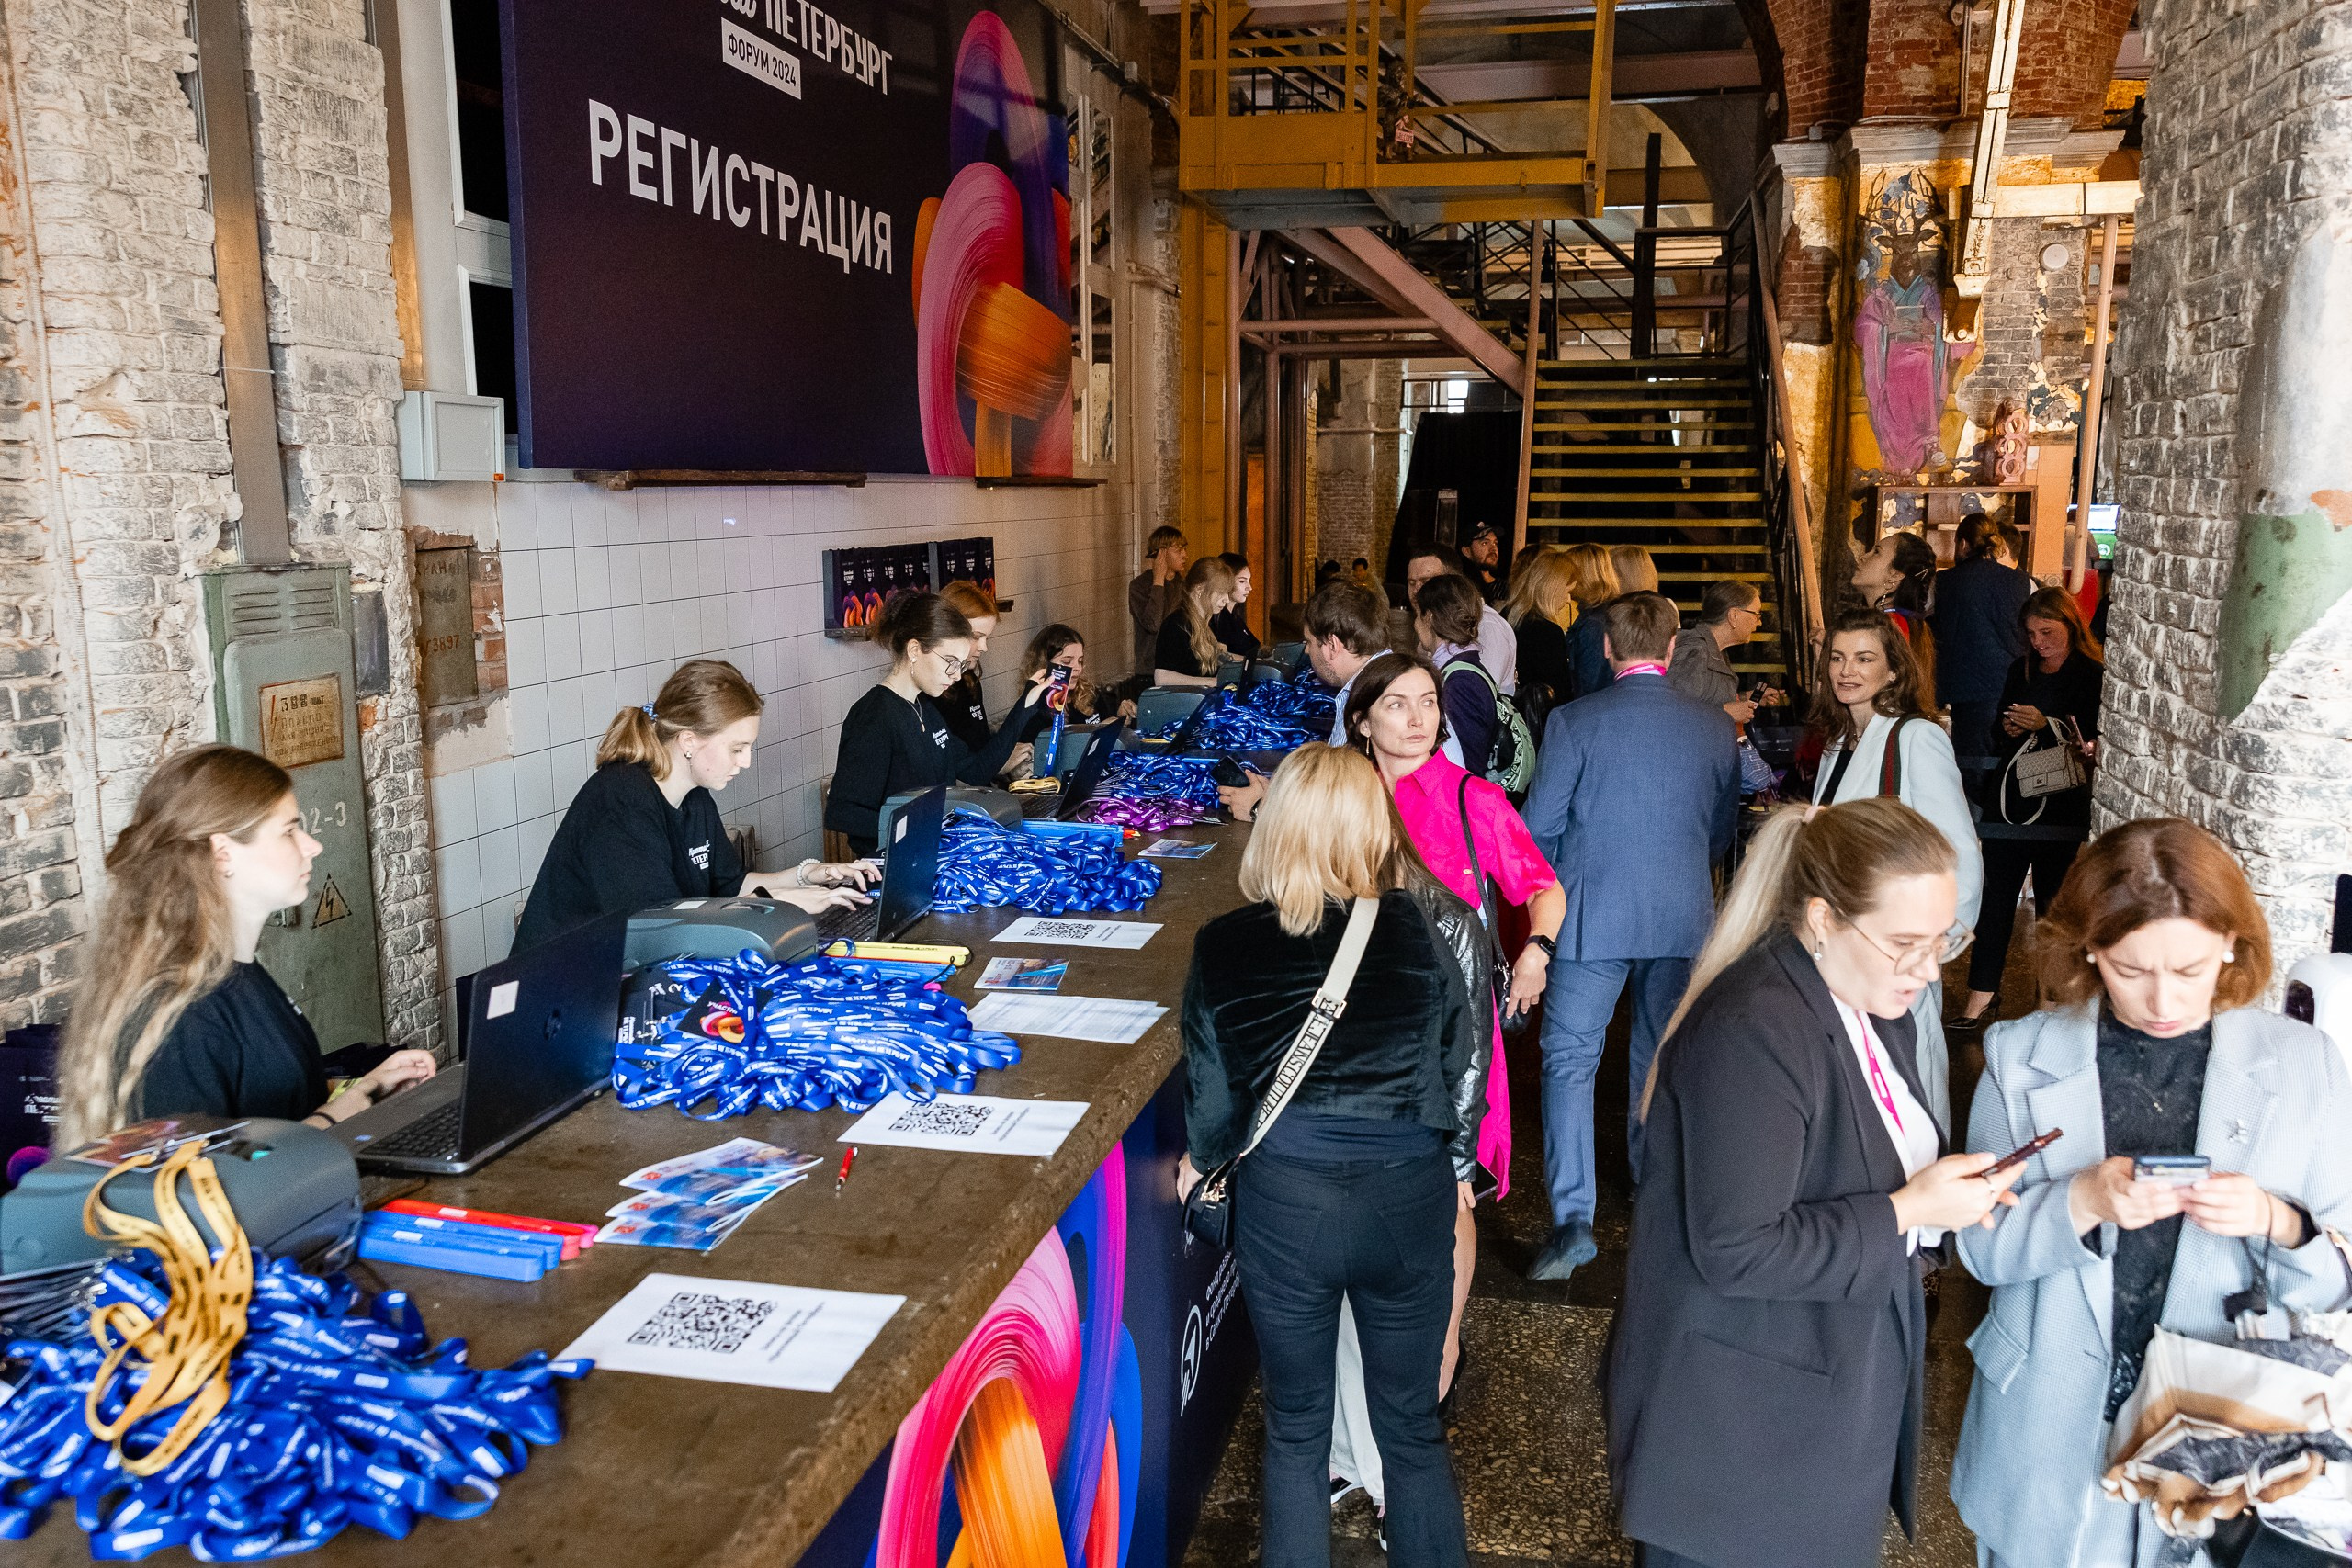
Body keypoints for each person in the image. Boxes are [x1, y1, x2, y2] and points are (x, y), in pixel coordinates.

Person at [1607, 798, 2022, 1568]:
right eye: (1905, 943)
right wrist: (1909, 1209)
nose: (1929, 970)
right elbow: (1737, 1246)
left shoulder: (1868, 997)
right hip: (1739, 1437)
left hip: (1809, 1407)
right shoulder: (1757, 1025)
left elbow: (1864, 1157)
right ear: (1824, 917)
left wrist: (1941, 1202)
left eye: (1943, 941)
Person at [1951, 818, 2352, 1568]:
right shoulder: (2019, 1055)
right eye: (2131, 969)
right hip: (2049, 1419)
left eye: (2190, 968)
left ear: (2232, 941)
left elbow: (2341, 1282)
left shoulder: (2306, 1065)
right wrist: (2077, 1201)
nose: (2163, 998)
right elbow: (1977, 1247)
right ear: (2090, 948)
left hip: (2225, 1435)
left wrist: (2275, 1220)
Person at [1178, 744, 1477, 1568]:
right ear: (1372, 826)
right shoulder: (1420, 929)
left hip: (1287, 1206)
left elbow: (1212, 1109)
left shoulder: (1223, 945)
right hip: (1406, 1195)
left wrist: (1206, 1164)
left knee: (1298, 1431)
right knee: (1410, 1428)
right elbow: (1455, 1062)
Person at [1345, 651, 1566, 1404]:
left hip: (1454, 1032)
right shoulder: (1340, 797)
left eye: (1428, 703)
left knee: (1452, 1190)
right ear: (1361, 719)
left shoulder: (1472, 799)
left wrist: (1534, 955)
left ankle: (1438, 1357)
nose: (1418, 719)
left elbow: (1544, 888)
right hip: (1353, 1029)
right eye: (1398, 704)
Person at [54, 745, 440, 1144]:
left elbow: (267, 1103)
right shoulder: (179, 1016)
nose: (312, 846)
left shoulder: (236, 972)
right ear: (223, 855)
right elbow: (200, 1184)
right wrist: (331, 1119)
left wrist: (365, 1088)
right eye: (289, 831)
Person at [1520, 592, 1739, 1281]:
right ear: (1672, 649)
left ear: (1609, 648)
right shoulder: (1711, 727)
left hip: (1589, 914)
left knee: (1569, 1062)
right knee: (1658, 1056)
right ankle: (1650, 1186)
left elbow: (1538, 828)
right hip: (1682, 915)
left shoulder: (1573, 721)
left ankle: (1574, 1217)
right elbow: (1721, 830)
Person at [520, 660, 872, 950]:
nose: (745, 762)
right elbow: (660, 927)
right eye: (736, 749)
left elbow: (730, 886)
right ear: (689, 741)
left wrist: (808, 876)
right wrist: (776, 903)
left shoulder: (695, 796)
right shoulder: (621, 800)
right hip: (563, 994)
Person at [1810, 609, 1982, 1132]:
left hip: (1894, 955)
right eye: (1838, 658)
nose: (1847, 670)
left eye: (1865, 659)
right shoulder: (1840, 744)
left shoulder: (1913, 738)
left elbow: (1959, 853)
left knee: (1901, 1089)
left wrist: (1932, 946)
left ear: (1893, 671)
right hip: (1840, 951)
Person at [1957, 587, 2104, 1029]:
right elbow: (1998, 731)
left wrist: (2048, 724)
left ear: (2070, 626)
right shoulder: (2019, 670)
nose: (2039, 641)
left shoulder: (2092, 673)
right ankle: (1980, 994)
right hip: (2014, 798)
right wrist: (2010, 725)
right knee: (1996, 897)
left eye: (2047, 631)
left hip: (2061, 802)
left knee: (2054, 906)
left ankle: (2051, 1003)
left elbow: (2094, 736)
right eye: (2031, 633)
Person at [1217, 579, 1467, 822]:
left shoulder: (1368, 696)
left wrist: (1262, 810)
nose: (1307, 651)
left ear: (1332, 645)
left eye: (1311, 642)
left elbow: (1347, 815)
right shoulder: (1388, 677)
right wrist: (1279, 792)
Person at [824, 594, 1053, 855]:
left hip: (934, 855)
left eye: (961, 664)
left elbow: (976, 770)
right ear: (914, 650)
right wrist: (923, 826)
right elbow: (843, 814)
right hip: (892, 867)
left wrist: (1024, 707)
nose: (957, 675)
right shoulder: (874, 715)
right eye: (950, 662)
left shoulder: (926, 709)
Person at [1932, 514, 2034, 761]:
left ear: (1963, 544)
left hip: (1966, 689)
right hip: (2013, 686)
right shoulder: (2022, 581)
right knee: (2008, 762)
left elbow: (1940, 634)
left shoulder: (1946, 581)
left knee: (1971, 765)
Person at [1413, 574, 1500, 775]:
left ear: (1429, 618)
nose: (1415, 624)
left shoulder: (1460, 682)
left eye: (1417, 615)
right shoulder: (1464, 666)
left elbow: (1467, 765)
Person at [1668, 579, 1782, 727]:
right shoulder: (1695, 653)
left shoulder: (1715, 648)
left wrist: (1744, 698)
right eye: (1756, 614)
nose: (1759, 622)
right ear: (1733, 615)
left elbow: (1705, 699)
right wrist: (1725, 712)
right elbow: (1673, 713)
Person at [1404, 545, 1516, 694]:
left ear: (1453, 581)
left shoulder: (1486, 625)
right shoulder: (1433, 624)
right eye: (1412, 583)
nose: (1417, 590)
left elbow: (1476, 695)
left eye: (1427, 581)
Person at [1011, 624, 1135, 751]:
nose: (1077, 668)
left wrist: (1120, 719)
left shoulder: (1089, 693)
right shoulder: (1034, 710)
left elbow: (1107, 733)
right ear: (1045, 666)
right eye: (1067, 662)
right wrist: (1098, 729)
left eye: (1080, 661)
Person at [1853, 527, 1939, 705]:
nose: (1863, 557)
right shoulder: (1895, 622)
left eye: (1876, 552)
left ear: (1894, 575)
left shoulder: (1892, 625)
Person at [1498, 547, 1577, 728]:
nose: (1568, 600)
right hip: (1538, 725)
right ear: (1553, 589)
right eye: (1567, 591)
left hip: (1511, 720)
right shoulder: (1547, 632)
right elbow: (1560, 694)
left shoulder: (1509, 615)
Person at [933, 580, 1001, 753]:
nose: (984, 648)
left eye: (987, 638)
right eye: (976, 637)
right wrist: (999, 763)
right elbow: (956, 767)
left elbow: (980, 743)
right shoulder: (931, 693)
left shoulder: (970, 678)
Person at [1153, 556, 1238, 688]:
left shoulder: (1203, 621)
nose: (1226, 599)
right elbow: (1162, 678)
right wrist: (1211, 682)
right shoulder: (1176, 624)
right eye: (1221, 593)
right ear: (1199, 590)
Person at [1559, 543, 1621, 700]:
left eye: (1569, 573)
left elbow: (1589, 688)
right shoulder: (1608, 614)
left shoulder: (1593, 625)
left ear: (1583, 577)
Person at [1128, 525, 1189, 673]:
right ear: (1161, 553)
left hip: (1181, 665)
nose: (1185, 555)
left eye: (1184, 549)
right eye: (1178, 550)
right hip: (1151, 669)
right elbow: (1153, 624)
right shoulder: (1139, 586)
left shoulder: (1184, 586)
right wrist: (1158, 580)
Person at [1208, 551, 1262, 661]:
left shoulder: (1235, 618)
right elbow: (1220, 657)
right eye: (1242, 581)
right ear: (1226, 581)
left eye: (1249, 581)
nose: (1249, 587)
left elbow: (1256, 648)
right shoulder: (1216, 617)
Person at [1462, 521, 1505, 603]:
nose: (1493, 548)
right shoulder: (1461, 587)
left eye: (1495, 543)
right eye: (1485, 543)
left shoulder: (1505, 589)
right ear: (1467, 551)